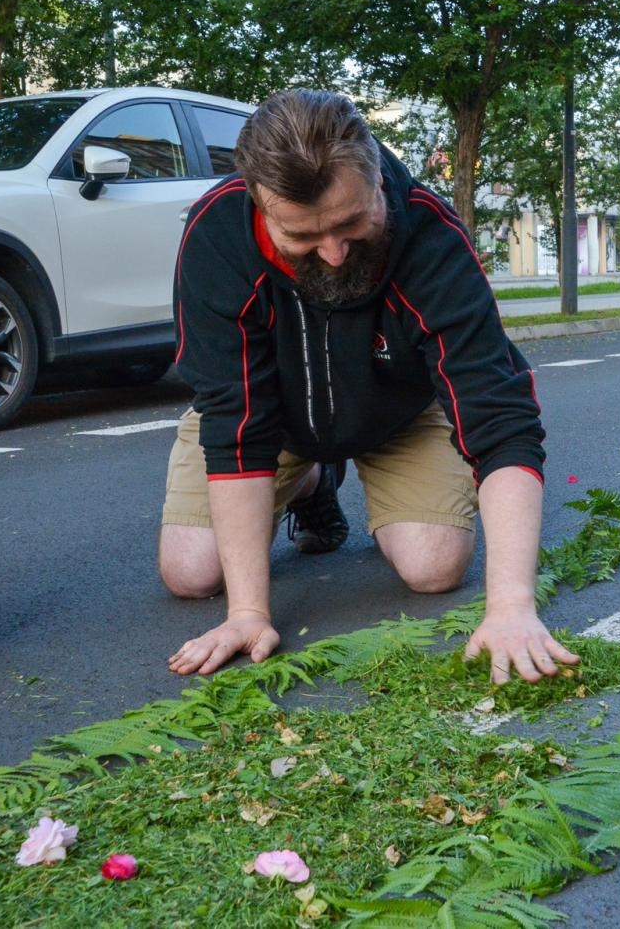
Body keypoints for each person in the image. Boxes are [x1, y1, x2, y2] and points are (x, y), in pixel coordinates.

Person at [159, 89, 578, 684]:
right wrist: (248, 614)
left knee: (433, 566)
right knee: (191, 572)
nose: (332, 254)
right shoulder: (216, 237)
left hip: (398, 416)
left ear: (376, 177)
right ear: (260, 204)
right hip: (271, 420)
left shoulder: (432, 237)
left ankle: (337, 467)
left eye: (352, 223)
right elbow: (235, 421)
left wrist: (511, 606)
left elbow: (499, 417)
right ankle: (308, 478)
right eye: (304, 236)